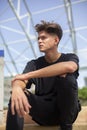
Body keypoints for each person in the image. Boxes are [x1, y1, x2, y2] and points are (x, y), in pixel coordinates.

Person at [6, 20, 81, 130]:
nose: (39, 41)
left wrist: (28, 75)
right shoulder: (34, 64)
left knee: (68, 79)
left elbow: (70, 67)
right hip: (44, 113)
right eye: (38, 38)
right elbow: (20, 80)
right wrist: (17, 88)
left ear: (56, 40)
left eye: (44, 38)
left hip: (67, 114)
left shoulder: (69, 58)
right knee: (17, 95)